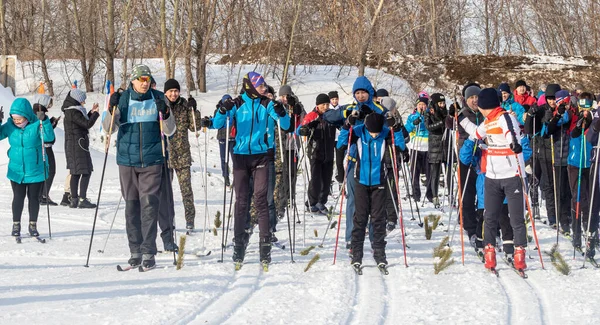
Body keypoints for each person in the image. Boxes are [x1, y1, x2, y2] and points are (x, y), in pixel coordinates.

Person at [212, 71, 290, 266]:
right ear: (250, 86)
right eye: (260, 85)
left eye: (264, 85)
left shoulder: (266, 104)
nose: (264, 88)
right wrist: (223, 110)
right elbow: (216, 124)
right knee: (241, 202)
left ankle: (265, 248)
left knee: (261, 200)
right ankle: (239, 245)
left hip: (261, 156)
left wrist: (282, 112)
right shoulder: (237, 104)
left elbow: (286, 125)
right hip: (240, 158)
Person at [104, 64, 176, 269]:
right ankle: (134, 250)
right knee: (131, 207)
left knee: (150, 206)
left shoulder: (159, 98)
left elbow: (170, 131)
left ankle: (148, 252)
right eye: (140, 79)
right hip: (127, 161)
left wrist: (167, 113)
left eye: (147, 80)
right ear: (133, 80)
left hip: (153, 160)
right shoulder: (123, 98)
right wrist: (111, 109)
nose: (144, 83)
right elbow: (108, 128)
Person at [458, 88, 529, 272]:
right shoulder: (487, 122)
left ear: (484, 106)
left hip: (511, 175)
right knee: (489, 217)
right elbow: (475, 133)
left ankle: (519, 252)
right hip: (492, 176)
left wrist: (513, 143)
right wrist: (460, 119)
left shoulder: (505, 117)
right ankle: (489, 252)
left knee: (516, 218)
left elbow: (510, 132)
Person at [338, 112, 405, 268]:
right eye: (371, 132)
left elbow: (400, 145)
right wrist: (346, 125)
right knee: (360, 218)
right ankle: (356, 253)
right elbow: (341, 143)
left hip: (378, 181)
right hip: (361, 181)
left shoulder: (385, 133)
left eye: (377, 132)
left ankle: (379, 252)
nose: (374, 135)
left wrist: (396, 127)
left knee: (378, 219)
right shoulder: (359, 131)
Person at [3, 98, 55, 237]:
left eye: (19, 118)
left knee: (33, 198)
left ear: (26, 114)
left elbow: (49, 138)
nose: (17, 121)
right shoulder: (10, 126)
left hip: (35, 169)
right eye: (14, 118)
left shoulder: (37, 124)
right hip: (17, 170)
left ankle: (33, 225)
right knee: (18, 197)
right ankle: (16, 225)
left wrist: (45, 121)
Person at [163, 79, 200, 230]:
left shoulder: (185, 106)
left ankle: (190, 220)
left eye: (176, 91)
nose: (173, 94)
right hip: (164, 155)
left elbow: (194, 127)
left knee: (186, 190)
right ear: (166, 92)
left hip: (182, 155)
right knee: (165, 191)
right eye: (170, 91)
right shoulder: (161, 105)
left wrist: (194, 111)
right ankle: (168, 221)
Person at [298, 93, 336, 214]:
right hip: (316, 152)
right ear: (317, 105)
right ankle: (311, 202)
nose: (325, 106)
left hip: (329, 152)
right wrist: (308, 127)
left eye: (327, 104)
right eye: (323, 104)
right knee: (316, 179)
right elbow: (301, 130)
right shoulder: (312, 115)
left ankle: (321, 202)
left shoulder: (331, 116)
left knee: (327, 179)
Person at [62, 89, 100, 208]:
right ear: (77, 99)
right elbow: (87, 124)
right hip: (78, 145)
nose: (84, 102)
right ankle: (82, 199)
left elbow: (82, 122)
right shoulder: (74, 112)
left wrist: (90, 113)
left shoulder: (71, 111)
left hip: (73, 145)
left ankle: (74, 199)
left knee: (75, 173)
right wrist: (95, 114)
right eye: (83, 99)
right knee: (86, 171)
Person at [568, 92, 594, 254]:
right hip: (575, 163)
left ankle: (590, 230)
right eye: (583, 106)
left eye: (588, 106)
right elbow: (572, 133)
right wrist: (579, 124)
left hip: (590, 163)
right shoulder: (574, 118)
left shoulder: (594, 120)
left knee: (589, 199)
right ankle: (576, 231)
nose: (585, 110)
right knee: (578, 198)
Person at [274, 85, 306, 217]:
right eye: (282, 96)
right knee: (282, 175)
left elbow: (304, 120)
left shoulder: (297, 105)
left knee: (292, 173)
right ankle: (281, 202)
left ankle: (290, 198)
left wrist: (298, 110)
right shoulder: (277, 106)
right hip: (281, 145)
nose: (284, 99)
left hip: (293, 145)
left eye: (286, 96)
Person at [33, 94, 60, 206]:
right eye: (48, 104)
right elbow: (45, 134)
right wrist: (49, 124)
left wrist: (52, 124)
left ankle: (41, 195)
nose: (49, 107)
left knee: (45, 171)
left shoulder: (35, 113)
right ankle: (43, 195)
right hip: (45, 147)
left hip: (41, 147)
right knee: (50, 170)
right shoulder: (40, 114)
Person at [405, 95, 431, 203]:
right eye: (420, 104)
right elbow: (406, 129)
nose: (422, 106)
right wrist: (414, 122)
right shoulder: (412, 116)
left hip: (427, 147)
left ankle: (430, 194)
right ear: (417, 105)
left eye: (424, 105)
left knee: (430, 173)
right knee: (414, 172)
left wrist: (425, 118)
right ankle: (416, 194)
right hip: (415, 147)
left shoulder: (430, 114)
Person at [423, 93, 448, 207]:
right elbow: (429, 127)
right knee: (435, 173)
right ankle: (434, 195)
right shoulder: (429, 113)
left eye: (443, 103)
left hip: (446, 144)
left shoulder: (445, 113)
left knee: (447, 171)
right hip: (434, 145)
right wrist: (441, 123)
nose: (442, 105)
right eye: (440, 103)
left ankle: (451, 194)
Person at [214, 95, 235, 187]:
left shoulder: (234, 109)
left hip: (232, 137)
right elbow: (216, 122)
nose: (228, 102)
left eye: (229, 100)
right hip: (222, 137)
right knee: (224, 158)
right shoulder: (219, 110)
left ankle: (236, 175)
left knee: (235, 158)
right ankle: (225, 175)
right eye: (226, 100)